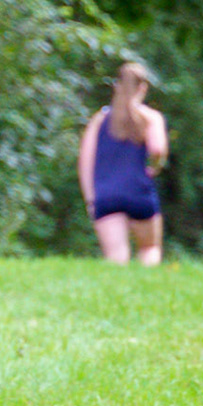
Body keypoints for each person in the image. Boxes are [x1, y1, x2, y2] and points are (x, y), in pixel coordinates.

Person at [77, 61, 169, 265]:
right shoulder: (151, 117)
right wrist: (155, 166)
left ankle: (117, 285)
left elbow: (85, 162)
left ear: (117, 85)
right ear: (143, 88)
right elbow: (157, 149)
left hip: (107, 195)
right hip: (138, 192)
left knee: (116, 257)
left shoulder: (99, 119)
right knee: (149, 248)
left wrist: (91, 200)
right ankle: (149, 283)